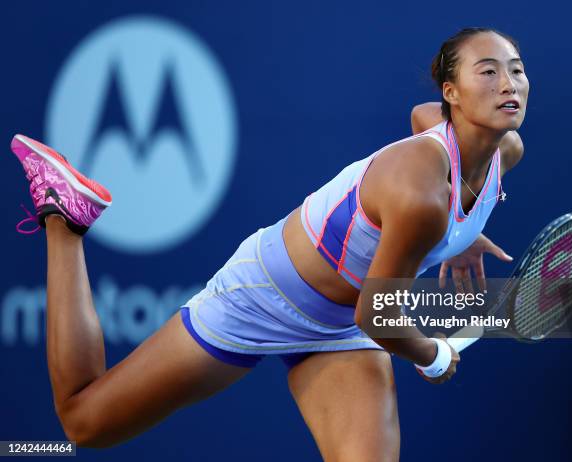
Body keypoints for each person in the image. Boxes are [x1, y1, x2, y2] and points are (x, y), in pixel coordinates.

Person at [11, 27, 527, 461]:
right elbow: (380, 312)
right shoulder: (421, 193)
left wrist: (457, 236)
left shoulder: (505, 152)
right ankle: (64, 218)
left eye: (517, 70)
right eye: (488, 71)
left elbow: (423, 118)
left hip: (341, 326)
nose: (509, 84)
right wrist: (432, 354)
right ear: (452, 91)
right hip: (266, 295)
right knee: (85, 424)